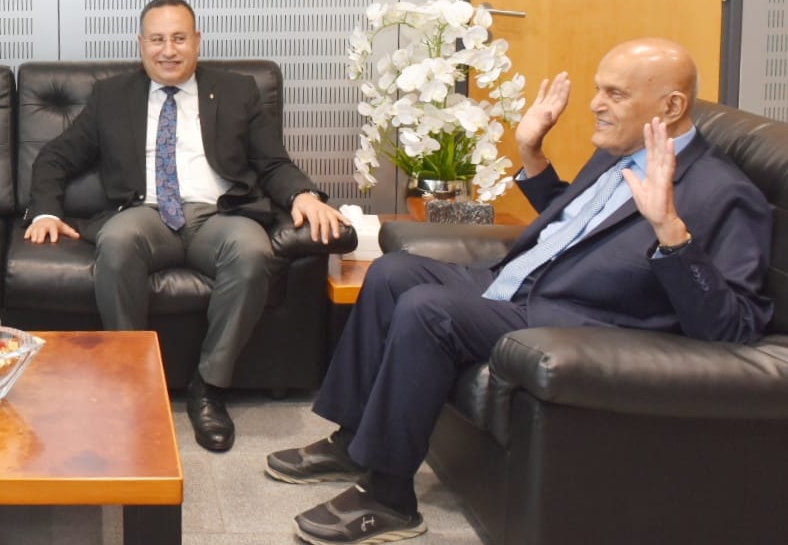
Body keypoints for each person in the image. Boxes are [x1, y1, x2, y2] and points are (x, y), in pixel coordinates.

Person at [268, 38, 773, 545]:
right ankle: (354, 439)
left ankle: (389, 497)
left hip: (579, 316)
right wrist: (532, 154)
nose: (596, 104)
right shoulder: (621, 150)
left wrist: (671, 232)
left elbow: (733, 326)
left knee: (429, 309)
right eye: (598, 89)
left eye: (615, 94)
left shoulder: (724, 193)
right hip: (522, 282)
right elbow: (582, 225)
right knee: (392, 272)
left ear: (672, 106)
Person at [24, 0, 349, 452]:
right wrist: (46, 211)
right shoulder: (111, 96)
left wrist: (304, 195)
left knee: (253, 252)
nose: (168, 50)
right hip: (145, 213)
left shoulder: (237, 91)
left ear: (197, 41)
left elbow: (272, 163)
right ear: (141, 44)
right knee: (117, 242)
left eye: (179, 38)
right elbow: (56, 156)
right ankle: (130, 379)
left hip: (218, 214)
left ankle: (209, 388)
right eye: (157, 39)